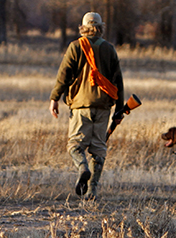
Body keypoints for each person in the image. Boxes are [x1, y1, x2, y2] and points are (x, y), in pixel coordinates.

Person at [49, 11, 124, 200]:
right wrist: (119, 109)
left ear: (83, 27)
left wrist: (55, 98)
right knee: (98, 149)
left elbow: (64, 74)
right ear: (100, 27)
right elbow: (118, 81)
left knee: (75, 145)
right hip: (103, 106)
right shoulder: (109, 49)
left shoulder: (75, 47)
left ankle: (82, 167)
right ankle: (93, 191)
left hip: (80, 105)